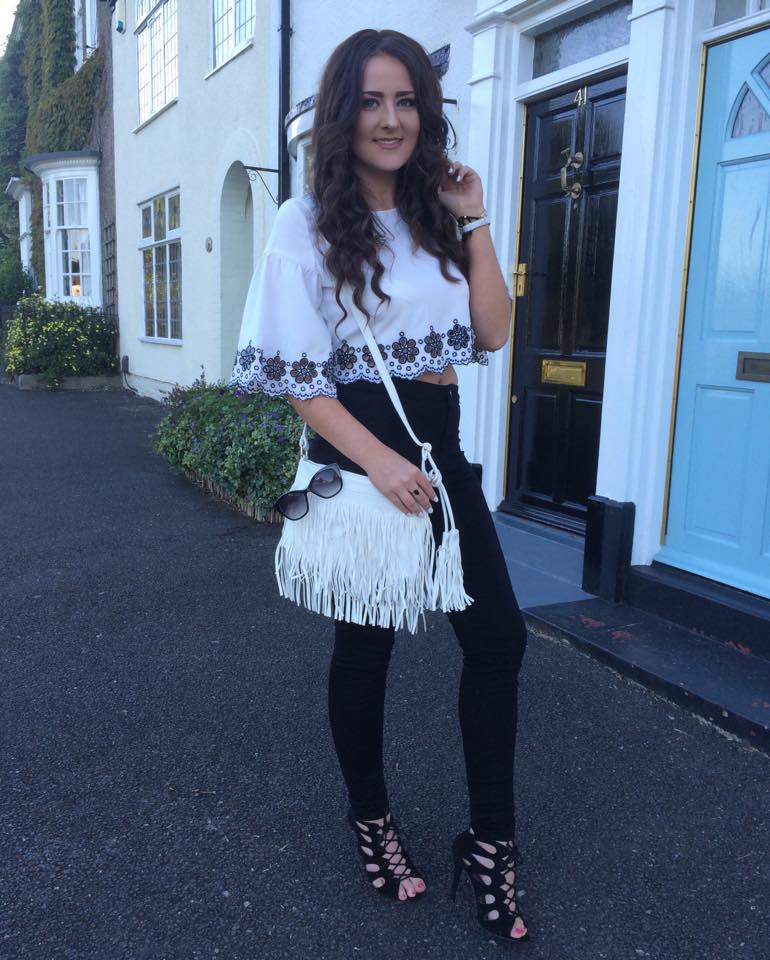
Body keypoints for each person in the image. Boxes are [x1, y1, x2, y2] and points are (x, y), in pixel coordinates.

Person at [229, 28, 530, 943]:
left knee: (499, 641)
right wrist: (382, 462)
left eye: (406, 101)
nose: (391, 120)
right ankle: (373, 820)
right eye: (371, 101)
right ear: (342, 113)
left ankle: (491, 843)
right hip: (367, 456)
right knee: (367, 650)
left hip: (445, 452)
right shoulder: (306, 222)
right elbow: (299, 377)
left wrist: (475, 219)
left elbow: (491, 332)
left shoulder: (439, 211)